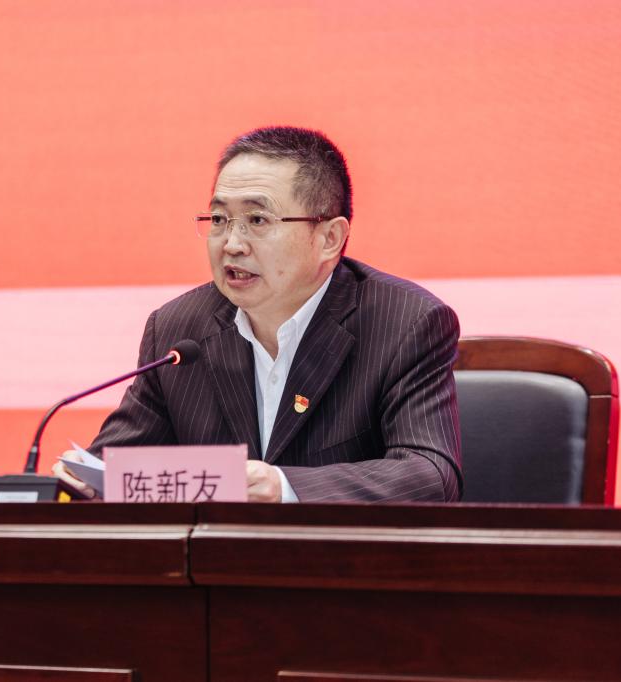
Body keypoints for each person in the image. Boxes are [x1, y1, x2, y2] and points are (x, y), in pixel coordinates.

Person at [53, 126, 462, 502]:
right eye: (219, 220)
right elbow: (116, 467)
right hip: (216, 557)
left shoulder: (405, 323)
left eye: (257, 220)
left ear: (329, 238)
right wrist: (84, 480)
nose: (232, 243)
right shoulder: (178, 330)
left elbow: (429, 475)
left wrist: (284, 488)